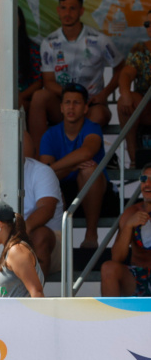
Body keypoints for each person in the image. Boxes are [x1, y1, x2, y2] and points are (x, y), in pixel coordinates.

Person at [30, 0, 123, 146]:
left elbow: (121, 68)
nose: (67, 13)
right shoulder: (49, 42)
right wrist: (70, 97)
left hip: (91, 105)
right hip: (63, 105)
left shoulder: (99, 40)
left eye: (73, 8)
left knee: (99, 114)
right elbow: (48, 81)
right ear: (58, 11)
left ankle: (79, 155)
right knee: (39, 97)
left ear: (81, 11)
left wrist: (104, 94)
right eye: (64, 8)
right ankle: (39, 159)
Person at [0, 156, 64, 275]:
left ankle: (32, 290)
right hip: (0, 238)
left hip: (43, 242)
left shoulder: (41, 171)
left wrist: (20, 231)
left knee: (40, 234)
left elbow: (47, 209)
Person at [39, 83, 108, 249]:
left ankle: (91, 234)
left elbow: (86, 153)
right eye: (67, 102)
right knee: (48, 183)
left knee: (89, 169)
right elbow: (45, 176)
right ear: (61, 108)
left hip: (95, 190)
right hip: (63, 188)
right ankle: (58, 246)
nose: (71, 107)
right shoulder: (50, 134)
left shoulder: (92, 127)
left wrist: (52, 168)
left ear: (85, 108)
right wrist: (69, 167)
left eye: (76, 103)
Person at [101, 165, 151, 296]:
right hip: (138, 276)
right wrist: (129, 226)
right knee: (108, 268)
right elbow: (117, 257)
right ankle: (113, 316)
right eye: (144, 179)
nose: (147, 184)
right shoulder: (132, 212)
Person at [117, 10, 151, 166]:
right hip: (146, 108)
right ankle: (134, 158)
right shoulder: (140, 49)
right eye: (147, 24)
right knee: (125, 102)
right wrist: (125, 94)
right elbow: (126, 73)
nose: (150, 27)